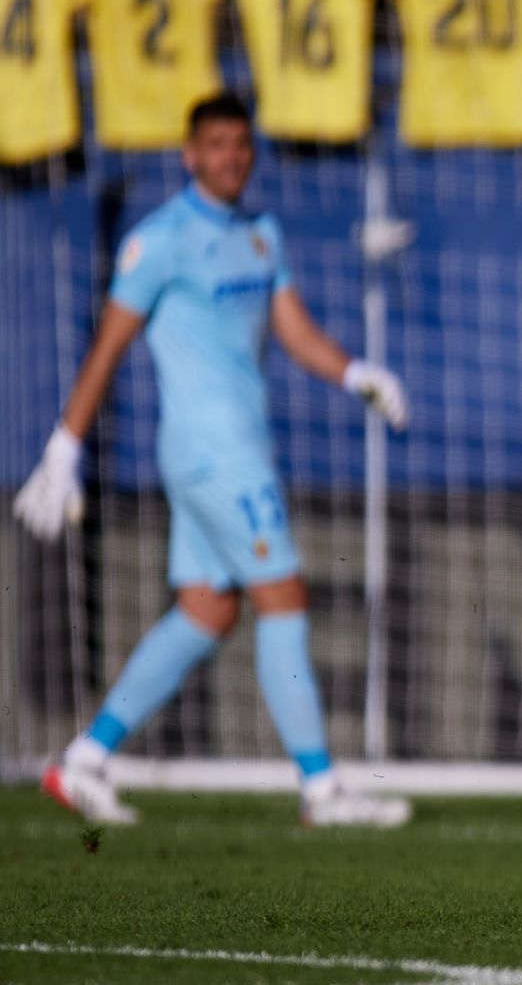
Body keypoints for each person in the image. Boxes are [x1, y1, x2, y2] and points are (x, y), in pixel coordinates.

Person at [15, 92, 411, 829]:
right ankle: (322, 789)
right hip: (210, 454)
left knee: (207, 611)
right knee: (283, 595)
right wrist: (65, 446)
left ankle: (85, 760)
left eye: (241, 145)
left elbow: (292, 329)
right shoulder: (159, 239)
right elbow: (109, 344)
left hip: (239, 449)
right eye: (216, 145)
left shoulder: (260, 233)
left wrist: (358, 373)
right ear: (189, 154)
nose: (230, 157)